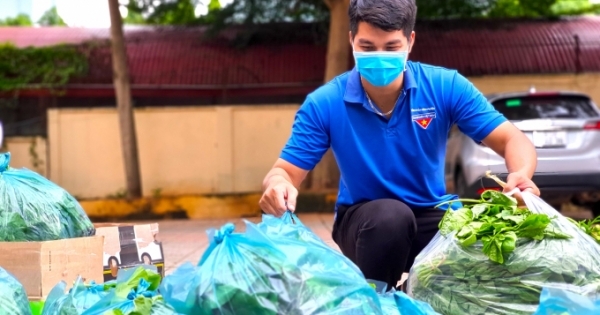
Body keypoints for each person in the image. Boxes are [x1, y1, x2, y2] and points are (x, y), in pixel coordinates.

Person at [259, 0, 540, 291]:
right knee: (391, 217)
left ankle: (410, 296)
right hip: (366, 222)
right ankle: (375, 302)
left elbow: (512, 139)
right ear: (351, 40)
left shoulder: (445, 86)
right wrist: (277, 186)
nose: (379, 57)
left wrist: (521, 173)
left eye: (391, 47)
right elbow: (284, 173)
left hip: (432, 213)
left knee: (486, 238)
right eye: (367, 47)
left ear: (410, 41)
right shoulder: (325, 102)